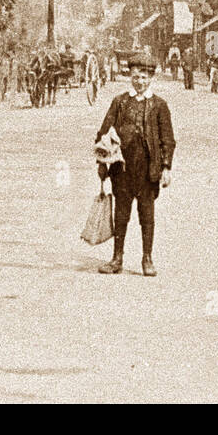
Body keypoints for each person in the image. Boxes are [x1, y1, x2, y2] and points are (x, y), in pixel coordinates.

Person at [93, 52, 175, 277]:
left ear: (151, 79)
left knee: (146, 215)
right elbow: (102, 132)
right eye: (136, 77)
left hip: (148, 169)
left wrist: (166, 167)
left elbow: (167, 139)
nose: (140, 82)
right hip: (122, 168)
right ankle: (117, 258)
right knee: (121, 214)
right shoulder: (120, 102)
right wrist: (102, 159)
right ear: (130, 76)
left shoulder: (159, 105)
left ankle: (147, 259)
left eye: (145, 78)